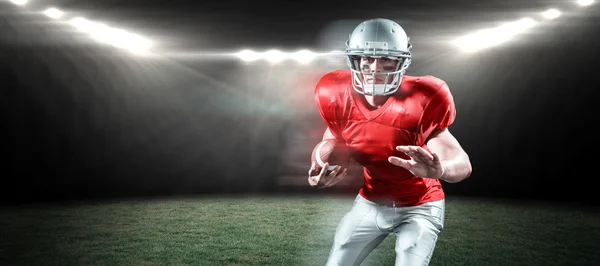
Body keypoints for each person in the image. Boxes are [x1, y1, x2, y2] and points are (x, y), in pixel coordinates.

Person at [308, 18, 473, 266]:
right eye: (367, 59)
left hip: (420, 206)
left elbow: (462, 163)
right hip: (371, 201)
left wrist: (441, 170)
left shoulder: (426, 97)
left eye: (386, 60)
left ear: (402, 61)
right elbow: (333, 138)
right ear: (354, 60)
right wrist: (319, 166)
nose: (375, 68)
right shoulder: (333, 93)